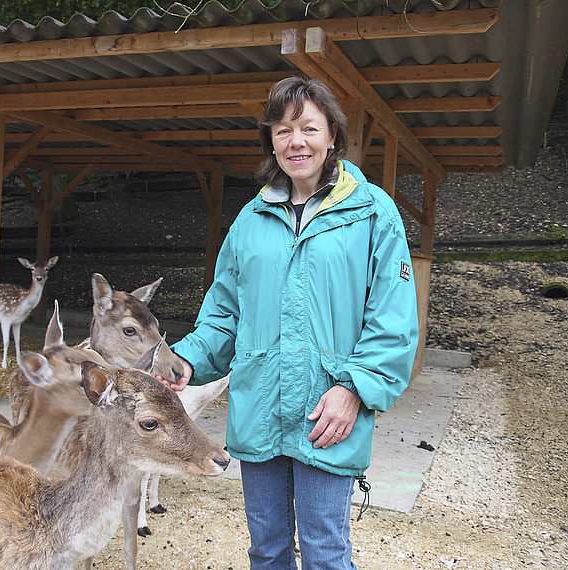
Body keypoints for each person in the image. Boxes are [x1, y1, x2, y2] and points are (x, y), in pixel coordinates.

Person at [169, 76, 419, 570]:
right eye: (283, 130)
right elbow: (224, 314)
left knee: (326, 552)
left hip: (327, 413)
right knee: (266, 551)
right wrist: (186, 357)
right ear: (271, 141)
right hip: (259, 405)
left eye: (309, 127)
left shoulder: (373, 214)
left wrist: (355, 389)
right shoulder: (250, 219)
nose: (296, 141)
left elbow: (392, 320)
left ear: (332, 136)